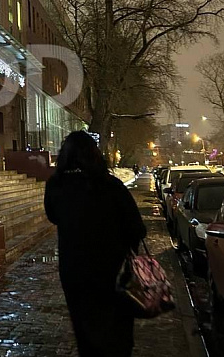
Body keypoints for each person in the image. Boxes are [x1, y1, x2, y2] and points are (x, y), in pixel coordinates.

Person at [44, 131, 147, 357]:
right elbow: (137, 228)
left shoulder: (55, 185)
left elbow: (53, 216)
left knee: (85, 332)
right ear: (95, 155)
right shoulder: (111, 186)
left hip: (74, 273)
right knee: (116, 334)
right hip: (114, 271)